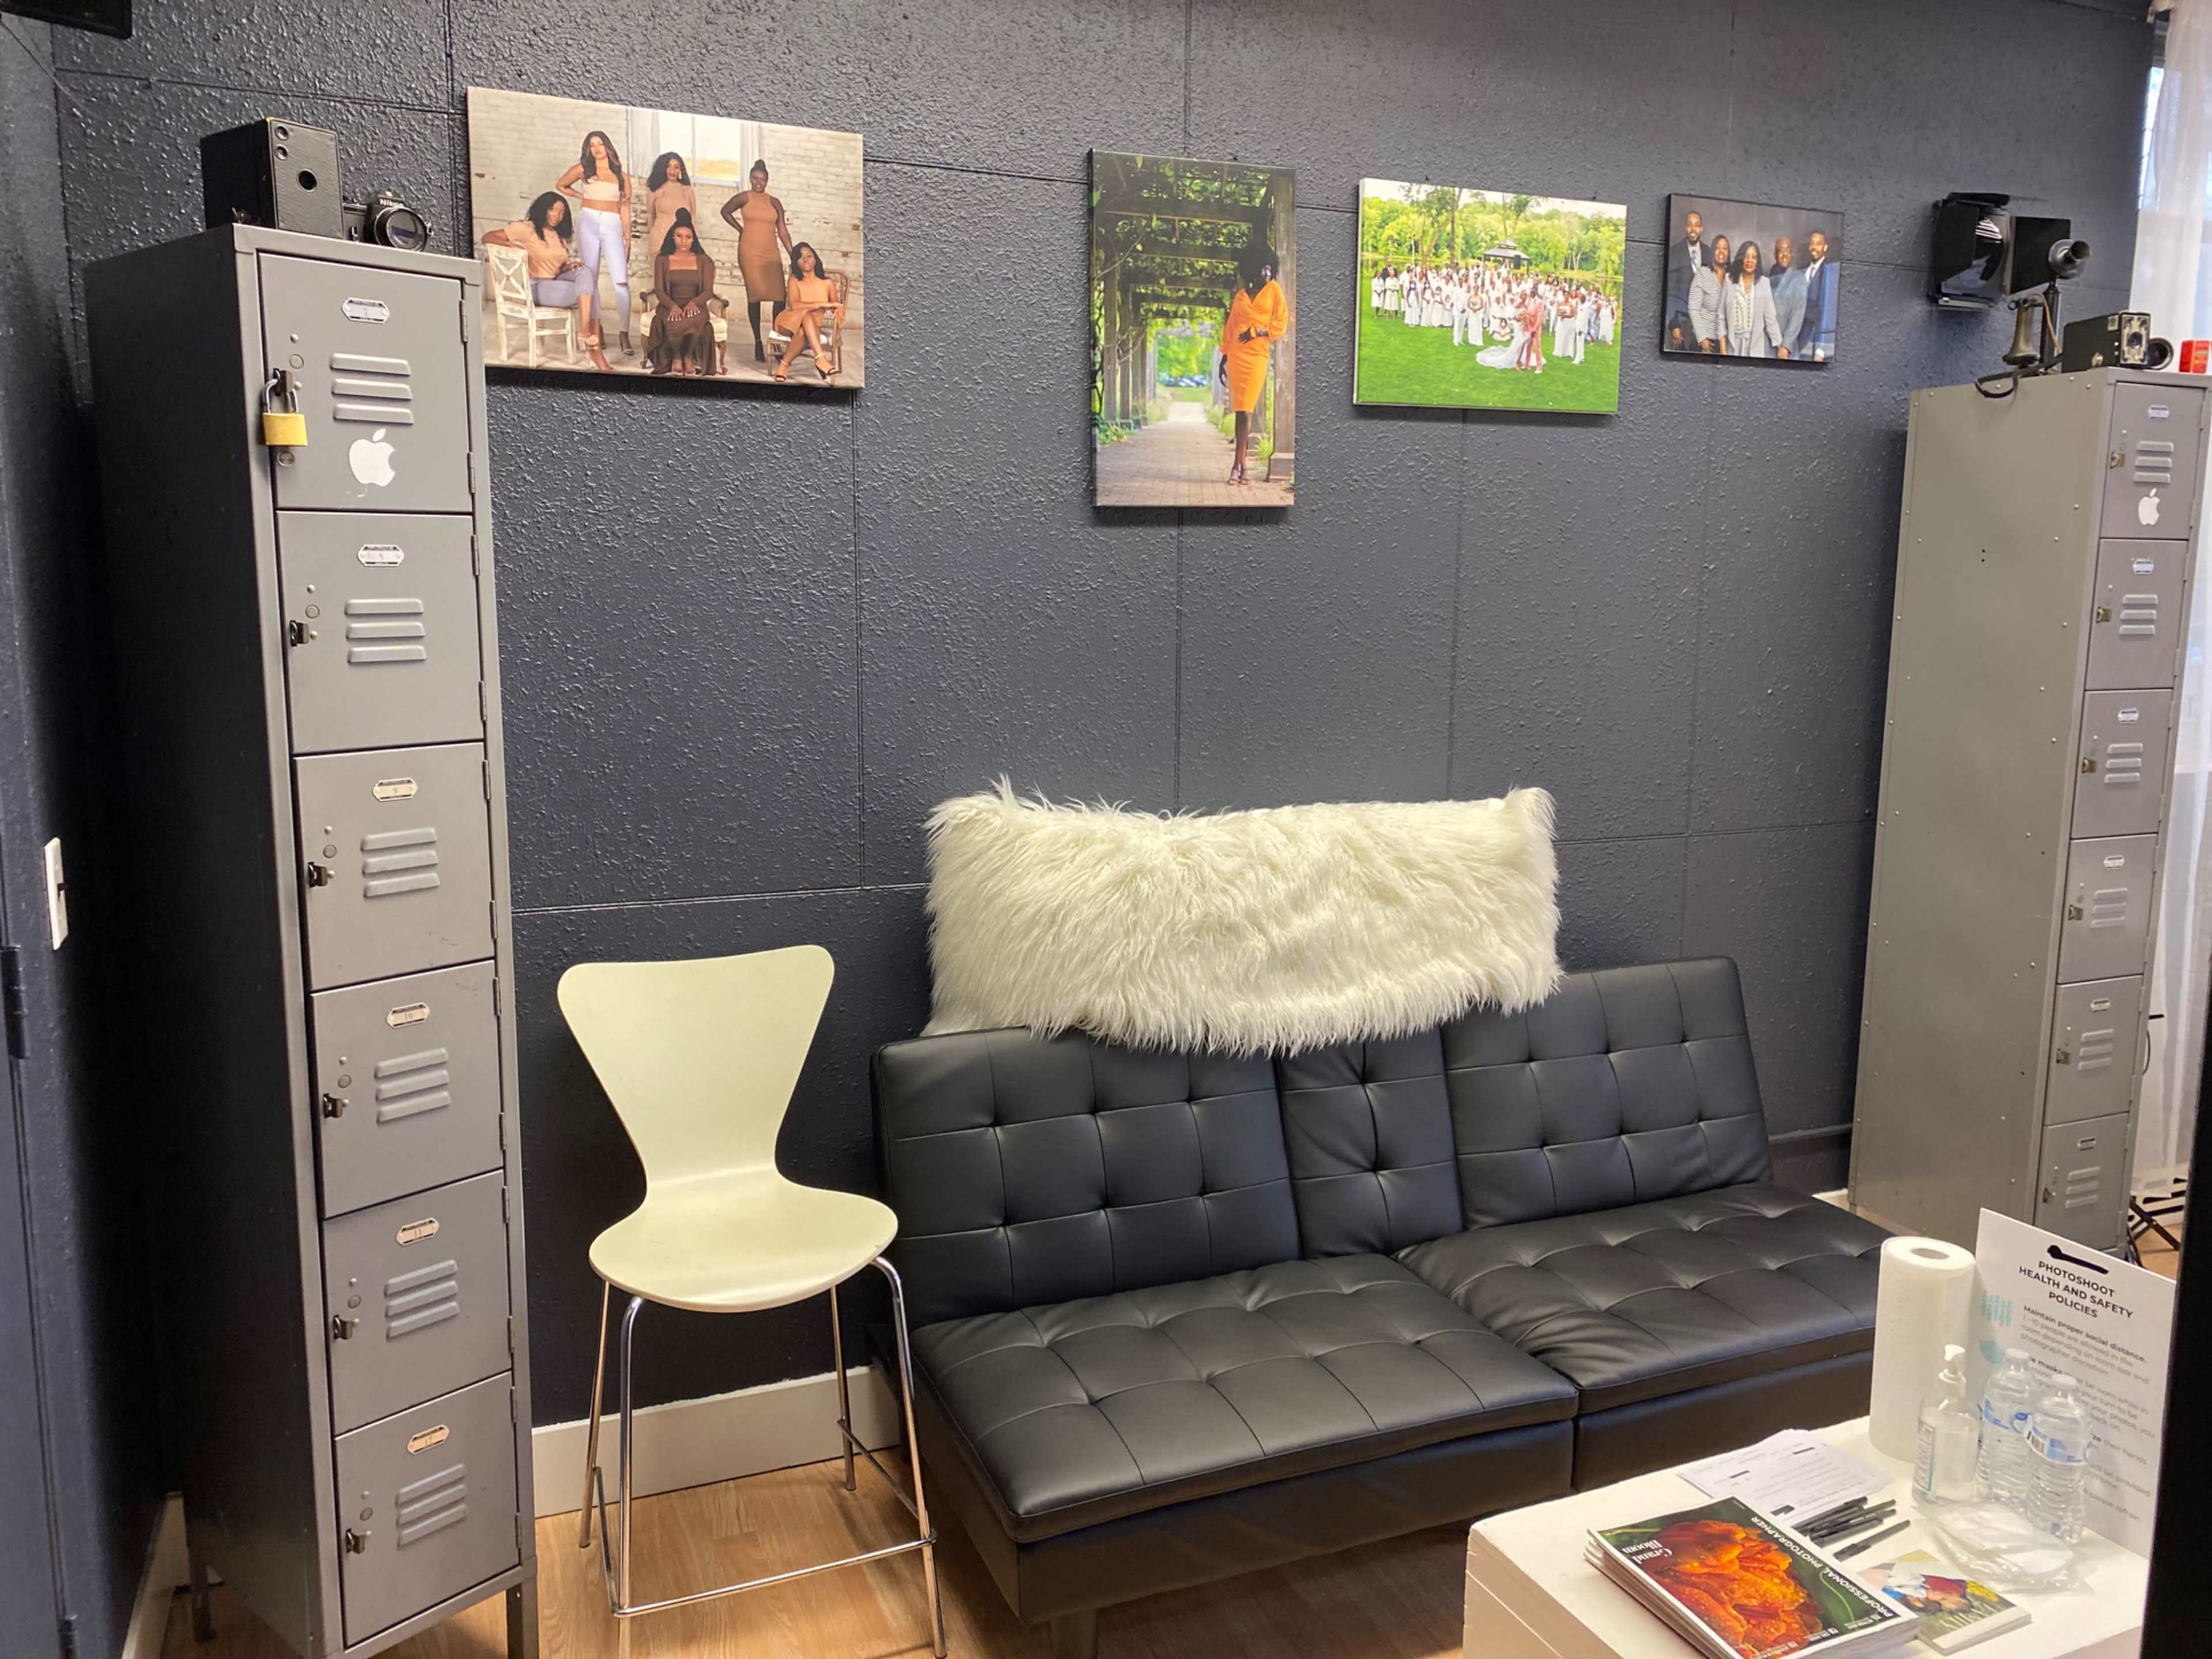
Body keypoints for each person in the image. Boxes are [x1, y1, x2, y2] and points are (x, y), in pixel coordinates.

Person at [482, 192, 607, 370]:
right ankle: (593, 348)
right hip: (536, 286)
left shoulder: (559, 235)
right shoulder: (527, 229)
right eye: (552, 209)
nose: (557, 215)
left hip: (555, 281)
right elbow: (488, 237)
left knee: (586, 273)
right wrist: (516, 250)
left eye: (561, 212)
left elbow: (554, 267)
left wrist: (567, 267)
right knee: (590, 292)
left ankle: (585, 332)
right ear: (543, 209)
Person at [556, 130, 631, 358]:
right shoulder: (583, 170)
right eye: (592, 145)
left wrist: (628, 239)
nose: (597, 149)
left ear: (608, 146)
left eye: (600, 144)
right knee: (591, 277)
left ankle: (624, 333)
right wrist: (582, 198)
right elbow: (561, 185)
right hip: (588, 222)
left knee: (621, 282)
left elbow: (625, 208)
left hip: (612, 224)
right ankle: (597, 328)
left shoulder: (621, 176)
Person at [1218, 247, 1288, 486]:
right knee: (1241, 411)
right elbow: (1231, 326)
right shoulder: (1241, 296)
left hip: (1258, 355)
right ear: (1252, 269)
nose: (1267, 273)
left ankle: (1238, 466)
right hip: (1237, 355)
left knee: (1246, 409)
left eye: (1270, 268)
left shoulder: (1274, 290)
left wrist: (1258, 332)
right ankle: (1241, 467)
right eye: (1263, 268)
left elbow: (1281, 323)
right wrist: (1224, 356)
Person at [720, 161, 794, 363]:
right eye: (755, 178)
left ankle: (776, 340)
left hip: (771, 252)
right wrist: (741, 230)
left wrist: (793, 254)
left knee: (780, 296)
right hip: (749, 252)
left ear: (767, 181)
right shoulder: (744, 197)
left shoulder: (775, 202)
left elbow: (783, 231)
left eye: (762, 179)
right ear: (750, 179)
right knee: (755, 297)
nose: (759, 183)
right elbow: (725, 211)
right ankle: (758, 342)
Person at [645, 212, 717, 377]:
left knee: (694, 318)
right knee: (675, 321)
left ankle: (688, 355)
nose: (684, 241)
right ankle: (677, 356)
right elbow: (659, 290)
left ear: (693, 240)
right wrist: (672, 306)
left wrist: (694, 303)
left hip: (696, 304)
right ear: (673, 237)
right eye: (679, 236)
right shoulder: (662, 259)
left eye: (688, 237)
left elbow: (708, 291)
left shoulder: (704, 260)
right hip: (669, 304)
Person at [772, 241, 842, 382]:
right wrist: (822, 304)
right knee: (806, 314)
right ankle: (821, 358)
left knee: (804, 332)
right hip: (789, 321)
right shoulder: (794, 280)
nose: (805, 260)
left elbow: (836, 307)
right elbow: (794, 306)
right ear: (796, 262)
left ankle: (783, 366)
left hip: (813, 325)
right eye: (801, 257)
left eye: (809, 256)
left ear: (815, 259)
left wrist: (837, 312)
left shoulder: (828, 283)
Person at [641, 152, 698, 302]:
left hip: (682, 241)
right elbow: (651, 217)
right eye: (669, 167)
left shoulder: (688, 191)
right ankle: (661, 314)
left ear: (681, 170)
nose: (673, 171)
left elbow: (692, 219)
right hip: (659, 237)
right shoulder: (655, 190)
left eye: (677, 167)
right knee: (661, 282)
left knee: (680, 282)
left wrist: (694, 245)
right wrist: (655, 235)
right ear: (663, 168)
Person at [1721, 240, 1784, 357]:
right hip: (1732, 348)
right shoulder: (1729, 280)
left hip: (1755, 349)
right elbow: (1721, 317)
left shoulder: (1764, 283)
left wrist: (1780, 346)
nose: (1750, 260)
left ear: (1758, 261)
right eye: (1746, 256)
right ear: (1741, 259)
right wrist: (1723, 351)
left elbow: (1771, 320)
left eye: (1754, 257)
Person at [1665, 208, 1710, 351]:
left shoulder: (1708, 252)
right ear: (1685, 228)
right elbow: (1670, 291)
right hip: (1681, 324)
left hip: (1703, 325)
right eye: (1690, 225)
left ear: (1701, 229)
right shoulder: (1674, 252)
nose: (1693, 229)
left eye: (1697, 225)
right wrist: (1674, 325)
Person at [1797, 228, 1839, 361]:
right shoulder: (1802, 271)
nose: (1814, 247)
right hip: (1798, 341)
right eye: (1812, 243)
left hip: (1815, 344)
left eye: (1819, 244)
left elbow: (1829, 311)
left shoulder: (1829, 272)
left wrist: (1821, 349)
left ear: (1825, 247)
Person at [1689, 232, 1726, 354]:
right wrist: (1703, 339)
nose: (1721, 251)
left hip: (1725, 343)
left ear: (1729, 253)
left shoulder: (1732, 278)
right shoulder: (1703, 273)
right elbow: (1693, 309)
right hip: (1705, 343)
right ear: (1713, 251)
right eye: (1718, 248)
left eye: (1725, 248)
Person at [1767, 235, 1803, 361]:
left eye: (1788, 250)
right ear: (1775, 255)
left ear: (1792, 254)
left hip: (1787, 348)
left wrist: (1786, 346)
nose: (1784, 254)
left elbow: (1798, 314)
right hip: (1769, 344)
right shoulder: (1768, 277)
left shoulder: (1798, 278)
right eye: (1781, 250)